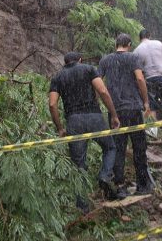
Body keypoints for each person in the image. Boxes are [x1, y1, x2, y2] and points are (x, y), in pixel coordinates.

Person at [49, 52, 123, 202]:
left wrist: (60, 128)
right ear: (80, 60)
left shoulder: (58, 77)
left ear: (65, 62)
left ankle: (82, 206)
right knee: (110, 148)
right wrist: (114, 115)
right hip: (94, 116)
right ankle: (104, 175)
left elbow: (52, 104)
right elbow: (102, 91)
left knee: (79, 165)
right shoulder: (89, 69)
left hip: (73, 121)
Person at [98, 33, 154, 195]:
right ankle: (143, 185)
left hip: (115, 111)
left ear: (116, 44)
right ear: (128, 44)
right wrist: (145, 101)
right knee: (139, 146)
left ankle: (120, 186)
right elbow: (140, 79)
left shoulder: (105, 60)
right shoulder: (133, 57)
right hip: (133, 108)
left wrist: (105, 104)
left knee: (118, 148)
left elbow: (98, 84)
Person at [133, 29, 162, 121]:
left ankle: (156, 133)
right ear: (149, 36)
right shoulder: (158, 43)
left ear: (140, 38)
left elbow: (139, 72)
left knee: (152, 107)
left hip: (149, 79)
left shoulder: (136, 51)